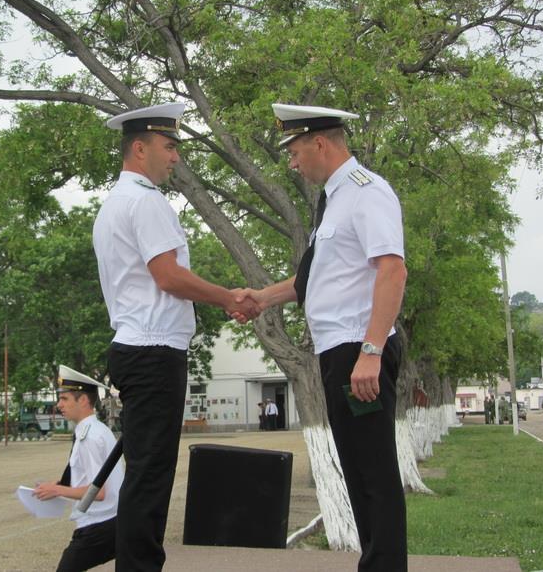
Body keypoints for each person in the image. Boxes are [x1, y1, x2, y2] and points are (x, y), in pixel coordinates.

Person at [235, 104, 408, 572]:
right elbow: (314, 279)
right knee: (358, 469)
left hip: (359, 353)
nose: (292, 163)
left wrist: (371, 351)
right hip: (341, 354)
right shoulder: (333, 201)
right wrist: (262, 298)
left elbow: (392, 270)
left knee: (373, 471)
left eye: (294, 151)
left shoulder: (367, 193)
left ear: (319, 143)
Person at [93, 102, 260, 571]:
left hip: (138, 348)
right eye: (168, 147)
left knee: (145, 474)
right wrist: (228, 298)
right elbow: (168, 276)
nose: (175, 157)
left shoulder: (115, 203)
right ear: (139, 148)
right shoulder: (146, 201)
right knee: (150, 478)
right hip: (153, 351)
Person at [34, 366, 124, 572]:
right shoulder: (96, 429)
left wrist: (57, 490)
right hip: (110, 521)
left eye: (64, 399)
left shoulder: (89, 437)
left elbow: (98, 492)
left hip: (99, 525)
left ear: (83, 400)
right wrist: (58, 486)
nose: (59, 404)